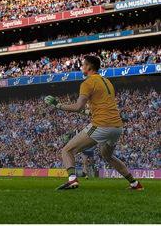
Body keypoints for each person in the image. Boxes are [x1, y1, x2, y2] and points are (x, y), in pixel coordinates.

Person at [45, 55, 143, 190]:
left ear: (89, 67)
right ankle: (135, 184)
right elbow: (92, 110)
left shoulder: (87, 83)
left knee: (67, 150)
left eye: (83, 65)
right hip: (117, 127)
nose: (82, 67)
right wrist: (83, 112)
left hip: (101, 125)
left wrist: (58, 105)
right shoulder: (107, 81)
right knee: (107, 156)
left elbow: (78, 106)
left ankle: (72, 180)